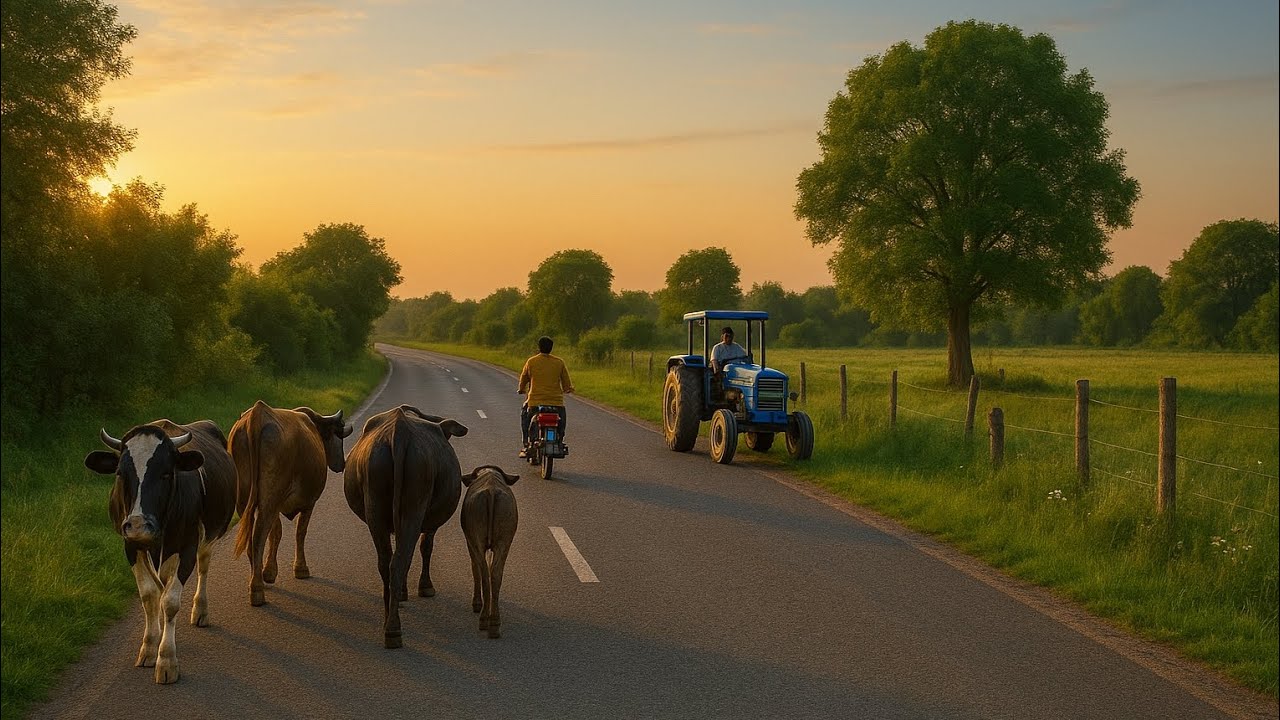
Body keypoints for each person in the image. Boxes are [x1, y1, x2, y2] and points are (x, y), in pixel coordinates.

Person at [517, 335, 574, 457]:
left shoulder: (531, 361)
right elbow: (566, 383)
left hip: (535, 402)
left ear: (539, 347)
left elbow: (524, 378)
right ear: (551, 348)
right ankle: (559, 441)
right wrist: (568, 389)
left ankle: (527, 444)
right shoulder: (559, 362)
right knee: (561, 423)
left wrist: (521, 389)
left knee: (525, 417)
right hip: (556, 403)